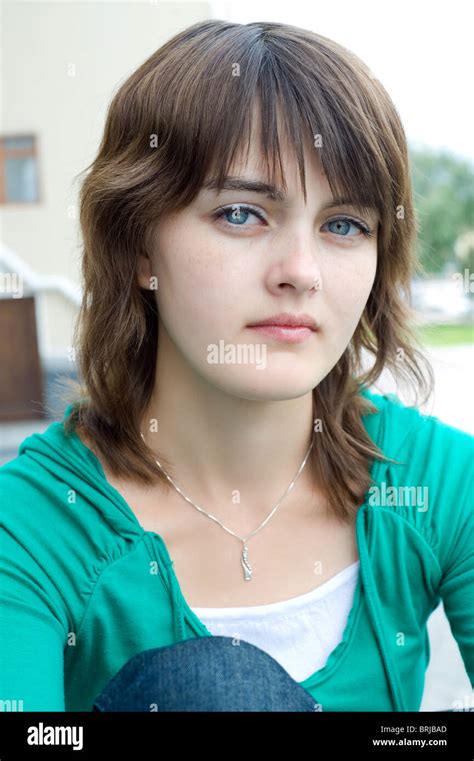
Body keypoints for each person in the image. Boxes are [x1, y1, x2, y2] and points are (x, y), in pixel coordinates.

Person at [0, 19, 472, 713]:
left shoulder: (434, 483)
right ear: (137, 247)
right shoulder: (35, 523)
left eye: (344, 225)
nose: (301, 273)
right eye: (244, 213)